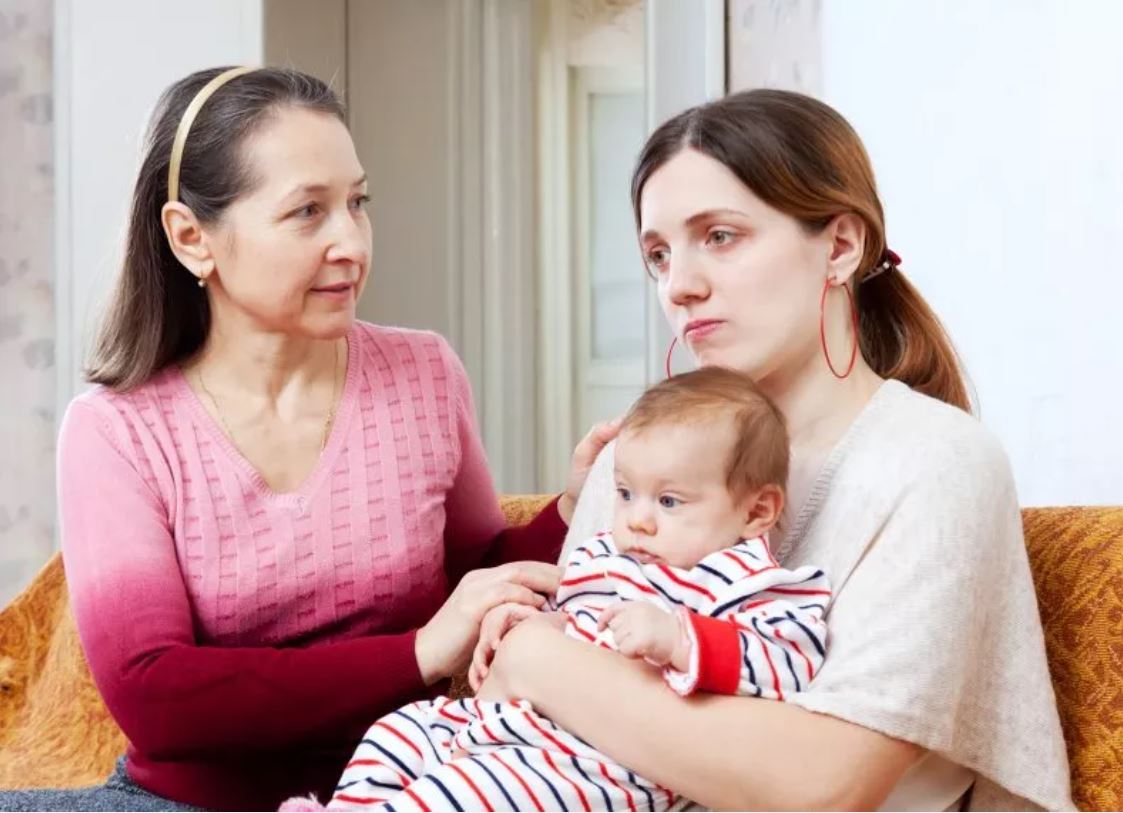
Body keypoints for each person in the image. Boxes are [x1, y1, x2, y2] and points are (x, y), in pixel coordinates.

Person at [0, 67, 613, 812]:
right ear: (192, 237)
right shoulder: (117, 430)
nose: (350, 242)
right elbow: (156, 696)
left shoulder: (423, 372)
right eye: (307, 213)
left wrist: (575, 506)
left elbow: (478, 576)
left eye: (357, 203)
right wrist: (418, 651)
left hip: (407, 789)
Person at [473, 89, 1074, 811]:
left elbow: (823, 784)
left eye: (720, 236)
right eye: (657, 254)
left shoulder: (937, 462)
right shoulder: (630, 460)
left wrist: (539, 656)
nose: (680, 286)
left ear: (841, 246)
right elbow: (541, 734)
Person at [284, 367, 830, 812]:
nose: (637, 521)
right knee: (400, 731)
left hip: (591, 766)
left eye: (669, 502)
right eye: (624, 493)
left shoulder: (751, 585)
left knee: (457, 794)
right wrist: (521, 618)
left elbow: (788, 665)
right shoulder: (605, 555)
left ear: (757, 510)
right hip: (504, 720)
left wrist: (682, 639)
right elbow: (564, 611)